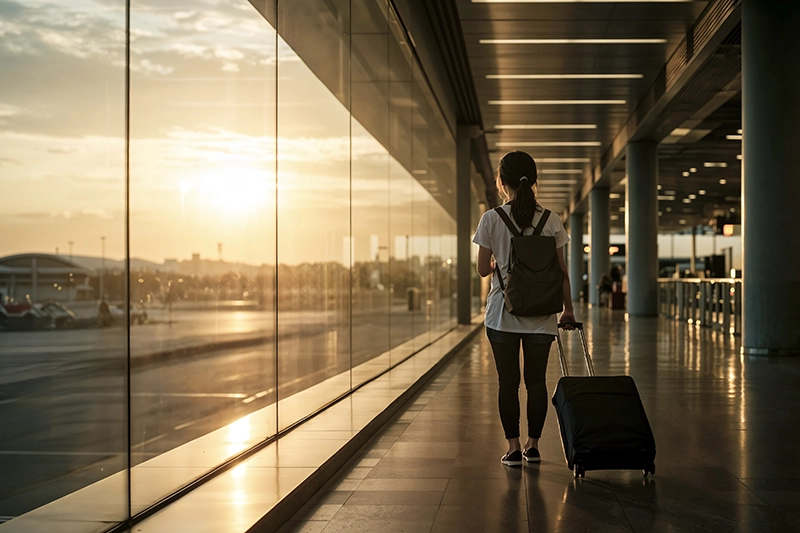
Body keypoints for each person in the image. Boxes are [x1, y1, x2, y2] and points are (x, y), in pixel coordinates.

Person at [473, 151, 576, 467]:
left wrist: (496, 263)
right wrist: (567, 311)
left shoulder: (492, 218)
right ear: (534, 182)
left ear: (502, 183)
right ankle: (533, 446)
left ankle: (514, 448)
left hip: (502, 315)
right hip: (542, 316)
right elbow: (561, 271)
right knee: (536, 382)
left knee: (508, 383)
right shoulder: (551, 220)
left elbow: (481, 270)